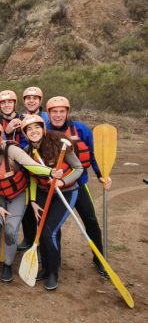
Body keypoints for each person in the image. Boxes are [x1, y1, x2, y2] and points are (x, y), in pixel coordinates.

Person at [0, 120, 60, 283]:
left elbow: (31, 165)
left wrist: (50, 171)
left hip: (17, 196)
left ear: (0, 137)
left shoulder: (12, 150)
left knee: (9, 231)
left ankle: (8, 266)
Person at [46, 96, 111, 278]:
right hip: (56, 187)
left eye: (61, 111)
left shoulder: (80, 129)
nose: (58, 115)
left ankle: (99, 258)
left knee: (90, 220)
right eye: (54, 112)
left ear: (67, 112)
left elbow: (92, 154)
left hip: (78, 184)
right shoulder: (44, 131)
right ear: (49, 113)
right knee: (54, 226)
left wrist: (101, 175)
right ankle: (54, 260)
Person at [21, 114, 83, 290]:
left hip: (66, 192)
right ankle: (46, 268)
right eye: (29, 129)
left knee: (49, 232)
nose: (34, 131)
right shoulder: (27, 152)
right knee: (42, 232)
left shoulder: (59, 143)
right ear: (25, 133)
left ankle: (53, 271)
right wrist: (32, 200)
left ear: (43, 128)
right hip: (42, 193)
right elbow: (33, 178)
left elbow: (78, 168)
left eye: (37, 127)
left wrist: (63, 181)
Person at [19, 87, 48, 250]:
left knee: (45, 216)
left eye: (35, 98)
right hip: (25, 163)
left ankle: (43, 244)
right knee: (28, 207)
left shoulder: (46, 118)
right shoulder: (19, 118)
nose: (31, 100)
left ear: (40, 100)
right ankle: (29, 239)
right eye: (28, 98)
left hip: (44, 165)